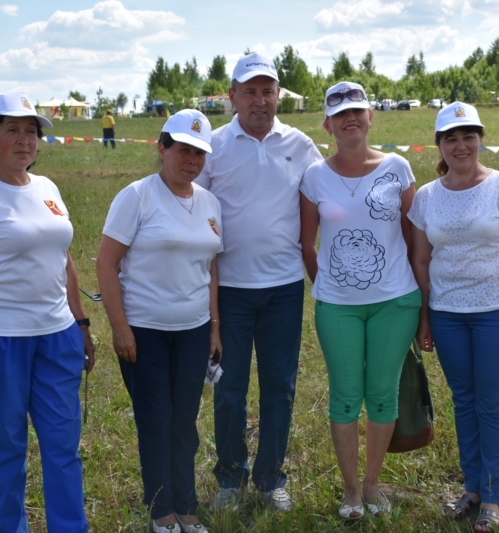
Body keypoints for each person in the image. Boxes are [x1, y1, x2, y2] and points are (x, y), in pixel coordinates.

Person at [0, 91, 95, 532]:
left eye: (31, 131)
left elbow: (64, 259)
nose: (24, 140)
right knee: (7, 448)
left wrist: (81, 322)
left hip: (57, 337)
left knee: (62, 446)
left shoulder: (48, 189)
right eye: (12, 130)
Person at [194, 53, 323, 513]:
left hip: (285, 287)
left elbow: (328, 193)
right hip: (229, 289)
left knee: (280, 386)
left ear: (278, 96)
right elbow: (190, 202)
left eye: (268, 91)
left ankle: (270, 478)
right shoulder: (213, 146)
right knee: (229, 387)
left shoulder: (302, 144)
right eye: (250, 91)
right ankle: (230, 476)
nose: (260, 100)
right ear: (232, 96)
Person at [408, 102, 499, 532]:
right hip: (448, 314)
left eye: (468, 136)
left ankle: (494, 497)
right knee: (464, 402)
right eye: (451, 137)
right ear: (440, 145)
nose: (461, 145)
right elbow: (422, 261)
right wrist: (425, 318)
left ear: (480, 140)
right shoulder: (427, 197)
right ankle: (471, 489)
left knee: (494, 405)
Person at [299, 82, 421, 519]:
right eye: (340, 113)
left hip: (396, 302)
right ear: (327, 124)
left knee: (383, 395)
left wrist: (421, 303)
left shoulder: (398, 167)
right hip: (337, 308)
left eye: (358, 111)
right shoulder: (314, 176)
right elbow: (306, 244)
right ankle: (350, 491)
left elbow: (413, 238)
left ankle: (373, 484)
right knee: (345, 396)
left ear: (372, 118)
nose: (350, 118)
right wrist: (329, 285)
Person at [96, 109, 222, 533]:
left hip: (193, 330)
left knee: (185, 422)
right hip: (145, 332)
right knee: (156, 420)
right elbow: (106, 264)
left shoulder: (209, 203)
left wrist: (214, 327)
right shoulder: (137, 196)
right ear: (162, 148)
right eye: (183, 149)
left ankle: (188, 507)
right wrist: (120, 328)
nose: (192, 160)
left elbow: (211, 269)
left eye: (199, 153)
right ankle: (161, 511)